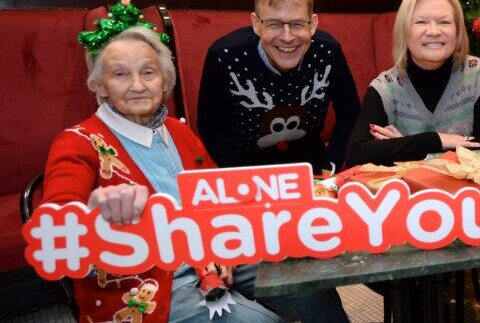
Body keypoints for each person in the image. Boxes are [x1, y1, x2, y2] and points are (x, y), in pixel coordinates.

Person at [42, 25, 347, 322]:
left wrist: (225, 246)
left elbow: (217, 197)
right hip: (148, 287)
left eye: (148, 72)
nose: (137, 85)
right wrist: (94, 211)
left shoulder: (176, 130)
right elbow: (57, 219)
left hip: (213, 257)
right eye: (120, 74)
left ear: (165, 81)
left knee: (311, 284)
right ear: (99, 85)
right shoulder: (77, 142)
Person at [197, 0, 360, 174]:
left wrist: (330, 166)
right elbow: (212, 127)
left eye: (297, 24)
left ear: (313, 24)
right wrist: (242, 178)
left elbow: (350, 113)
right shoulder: (224, 56)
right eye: (274, 24)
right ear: (256, 24)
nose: (287, 37)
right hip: (246, 167)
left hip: (312, 167)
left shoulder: (328, 51)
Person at [344, 0, 480, 167]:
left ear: (457, 32)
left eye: (444, 22)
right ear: (404, 31)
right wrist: (433, 140)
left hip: (465, 193)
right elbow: (356, 154)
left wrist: (408, 149)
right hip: (409, 194)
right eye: (421, 22)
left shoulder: (476, 73)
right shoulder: (385, 87)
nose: (434, 31)